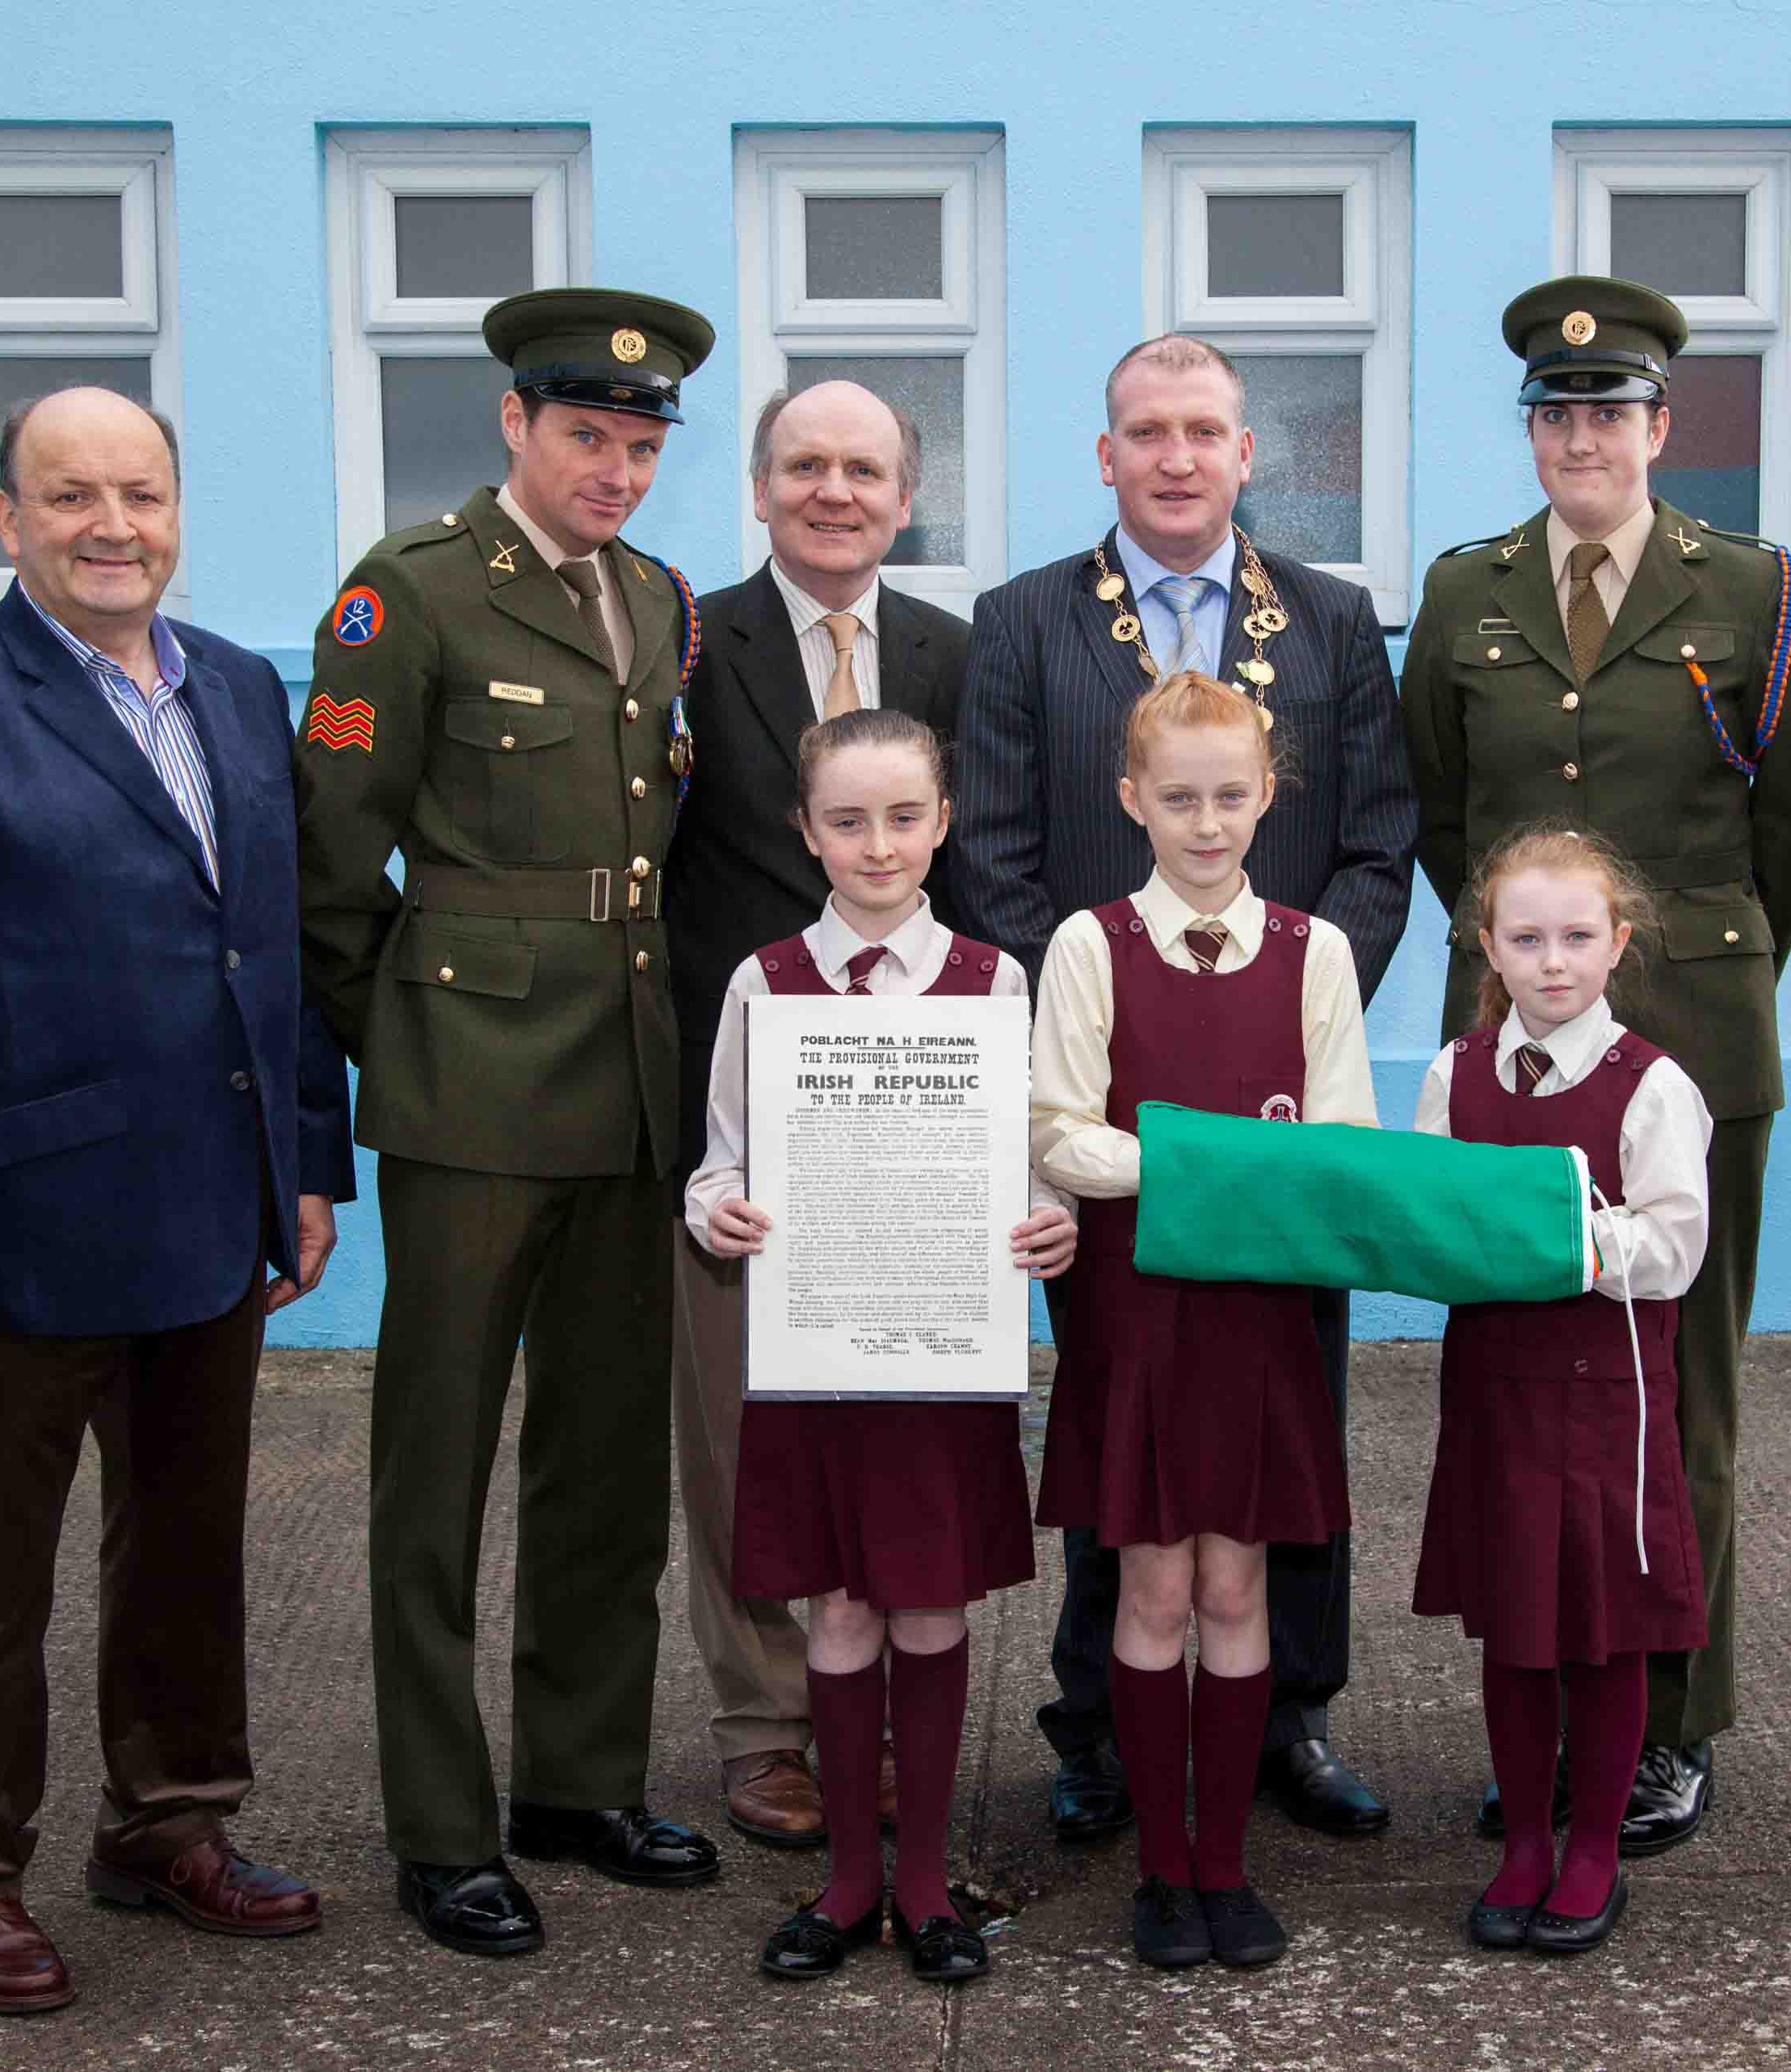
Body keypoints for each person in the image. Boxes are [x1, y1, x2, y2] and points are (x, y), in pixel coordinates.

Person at [0, 385, 354, 2015]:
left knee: (187, 1546)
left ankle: (170, 1821)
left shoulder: (244, 693)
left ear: (178, 508)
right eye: (70, 495)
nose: (109, 521)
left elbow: (281, 946)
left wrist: (310, 1160)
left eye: (137, 490)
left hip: (211, 1209)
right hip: (24, 1233)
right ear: (9, 519)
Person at [294, 288, 723, 1956]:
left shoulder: (659, 602)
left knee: (606, 1451)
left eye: (637, 444)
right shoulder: (405, 596)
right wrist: (401, 1039)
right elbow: (330, 866)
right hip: (469, 1083)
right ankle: (441, 1817)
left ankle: (579, 1777)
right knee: (437, 1463)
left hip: (630, 1068)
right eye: (584, 436)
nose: (613, 468)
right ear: (513, 426)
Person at [1398, 276, 1791, 1854]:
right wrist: (1517, 977)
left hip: (1693, 1053)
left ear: (1663, 424)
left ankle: (1667, 1719)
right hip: (1511, 1051)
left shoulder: (1755, 589)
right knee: (1521, 1395)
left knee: (1677, 1396)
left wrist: (1691, 984)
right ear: (1531, 430)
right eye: (1556, 410)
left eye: (1612, 409)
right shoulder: (1467, 594)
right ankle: (1540, 1706)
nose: (1584, 434)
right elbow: (1446, 820)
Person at [961, 334, 1415, 1843]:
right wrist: (1111, 1031)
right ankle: (1099, 1723)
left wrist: (1278, 990)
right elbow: (1001, 858)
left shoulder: (1338, 623)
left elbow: (1376, 843)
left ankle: (1292, 1711)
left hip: (1282, 1123)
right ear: (1107, 455)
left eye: (1204, 431)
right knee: (1121, 1422)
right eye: (1145, 431)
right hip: (1109, 1101)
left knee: (1292, 1414)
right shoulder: (1024, 623)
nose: (1175, 456)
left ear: (1243, 454)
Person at [688, 707, 1073, 1983]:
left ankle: (925, 1887)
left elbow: (1022, 1154)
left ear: (943, 822)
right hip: (816, 1346)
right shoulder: (764, 982)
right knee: (838, 1605)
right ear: (806, 831)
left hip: (935, 1346)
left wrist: (1047, 1219)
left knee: (925, 1597)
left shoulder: (989, 980)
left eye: (904, 817)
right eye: (847, 821)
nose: (878, 844)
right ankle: (849, 1878)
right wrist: (721, 1210)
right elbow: (721, 1160)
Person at [1030, 671, 1377, 1969]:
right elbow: (1058, 1130)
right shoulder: (1088, 943)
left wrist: (1189, 1160)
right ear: (1133, 799)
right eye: (1179, 796)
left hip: (1260, 1314)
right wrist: (1212, 1165)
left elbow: (1339, 1145)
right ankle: (1158, 1871)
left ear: (1268, 793)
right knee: (1152, 1580)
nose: (1208, 820)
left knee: (1239, 1580)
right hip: (1137, 1309)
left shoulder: (1316, 951)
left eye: (1231, 794)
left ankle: (1225, 1864)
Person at [667, 381, 972, 1848]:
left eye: (864, 467)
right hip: (754, 1130)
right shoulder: (685, 646)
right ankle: (764, 1724)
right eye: (805, 465)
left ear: (905, 495)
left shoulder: (956, 657)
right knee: (741, 1438)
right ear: (761, 486)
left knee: (893, 1442)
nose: (834, 490)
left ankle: (891, 1720)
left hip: (916, 1136)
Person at [1412, 826, 1711, 1957]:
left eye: (1578, 936)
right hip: (1496, 1390)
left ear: (1617, 941)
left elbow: (1675, 1245)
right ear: (1488, 942)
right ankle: (1525, 1839)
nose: (1553, 960)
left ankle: (1593, 1845)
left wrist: (1555, 1239)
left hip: (1604, 1402)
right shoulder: (1456, 1072)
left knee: (1601, 1630)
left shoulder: (1652, 1085)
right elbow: (1435, 1222)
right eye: (1526, 936)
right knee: (1516, 1627)